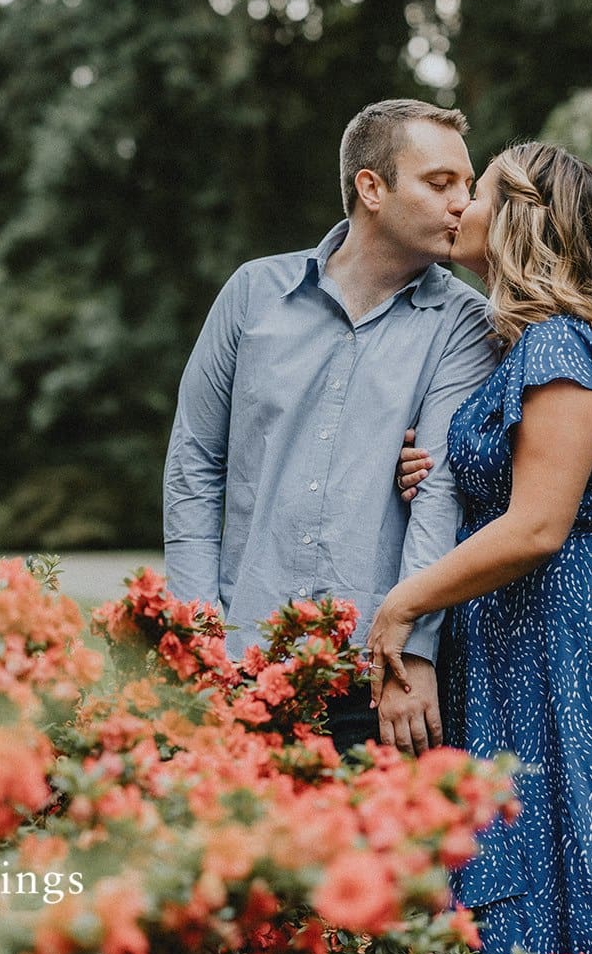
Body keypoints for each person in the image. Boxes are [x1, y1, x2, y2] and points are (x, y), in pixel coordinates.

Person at [366, 142, 592, 954]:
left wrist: (402, 603)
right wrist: (439, 470)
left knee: (589, 865)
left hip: (577, 640)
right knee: (557, 863)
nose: (460, 206)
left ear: (518, 220)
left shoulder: (558, 345)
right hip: (535, 640)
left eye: (478, 191)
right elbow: (519, 487)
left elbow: (537, 526)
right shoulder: (533, 344)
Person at [163, 99, 498, 755]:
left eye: (467, 184)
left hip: (371, 672)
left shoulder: (464, 323)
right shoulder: (252, 294)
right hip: (241, 659)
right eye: (440, 183)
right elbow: (194, 465)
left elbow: (438, 489)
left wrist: (413, 653)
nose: (463, 203)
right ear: (371, 188)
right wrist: (199, 636)